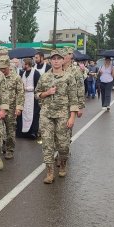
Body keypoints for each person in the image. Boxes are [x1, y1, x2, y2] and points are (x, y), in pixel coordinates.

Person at [35, 49, 78, 184]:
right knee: (47, 144)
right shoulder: (45, 77)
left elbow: (74, 99)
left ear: (63, 60)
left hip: (62, 115)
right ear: (50, 60)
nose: (56, 61)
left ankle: (63, 163)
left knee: (63, 145)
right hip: (46, 115)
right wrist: (47, 92)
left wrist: (72, 117)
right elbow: (37, 94)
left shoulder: (69, 77)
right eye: (53, 58)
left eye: (58, 58)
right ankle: (49, 173)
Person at [0, 56, 24, 159]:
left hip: (11, 108)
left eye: (4, 68)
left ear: (9, 66)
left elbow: (20, 93)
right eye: (1, 68)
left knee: (10, 130)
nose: (2, 70)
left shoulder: (16, 78)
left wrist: (19, 107)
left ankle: (10, 149)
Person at [17, 57, 41, 139]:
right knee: (23, 114)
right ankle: (23, 132)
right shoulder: (22, 73)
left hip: (32, 97)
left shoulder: (36, 73)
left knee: (33, 114)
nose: (22, 65)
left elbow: (39, 85)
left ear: (27, 64)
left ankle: (33, 132)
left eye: (23, 64)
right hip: (24, 96)